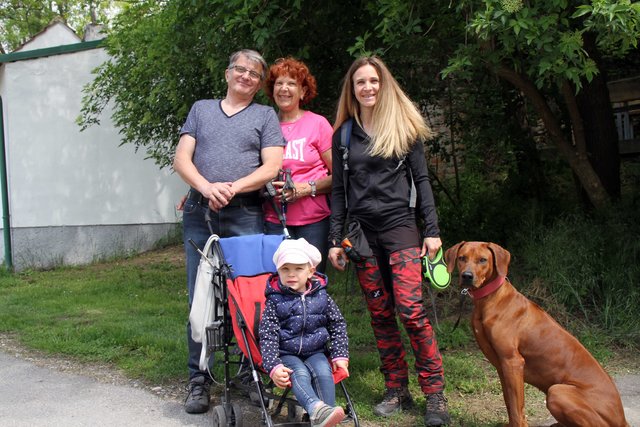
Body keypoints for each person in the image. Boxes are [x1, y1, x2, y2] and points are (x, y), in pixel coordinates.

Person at [327, 56, 450, 426]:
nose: (368, 88)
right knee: (381, 316)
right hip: (362, 236)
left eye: (374, 81)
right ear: (352, 89)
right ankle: (397, 389)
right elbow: (338, 191)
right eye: (360, 82)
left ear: (384, 85)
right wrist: (335, 239)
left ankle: (435, 395)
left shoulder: (404, 127)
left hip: (401, 230)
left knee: (412, 313)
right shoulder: (343, 136)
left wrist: (432, 231)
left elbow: (422, 181)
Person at [173, 49, 286, 414]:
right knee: (200, 297)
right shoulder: (201, 109)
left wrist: (232, 187)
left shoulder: (265, 115)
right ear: (227, 73)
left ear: (259, 83)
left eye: (254, 73)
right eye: (241, 69)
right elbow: (181, 159)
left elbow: (271, 167)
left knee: (249, 296)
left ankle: (250, 373)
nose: (246, 76)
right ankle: (198, 380)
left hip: (245, 212)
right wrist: (207, 189)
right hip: (199, 212)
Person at [259, 238, 349, 427]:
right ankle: (316, 409)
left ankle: (326, 417)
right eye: (285, 269)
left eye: (298, 269)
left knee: (324, 372)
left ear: (311, 271)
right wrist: (273, 366)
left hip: (315, 350)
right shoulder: (275, 301)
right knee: (299, 373)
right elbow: (267, 335)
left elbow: (337, 324)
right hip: (286, 352)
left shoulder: (322, 297)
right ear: (278, 271)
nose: (291, 274)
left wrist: (340, 354)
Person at [262, 57, 333, 272]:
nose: (284, 89)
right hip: (273, 219)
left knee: (312, 283)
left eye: (291, 83)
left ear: (303, 92)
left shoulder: (317, 124)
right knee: (277, 284)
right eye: (279, 83)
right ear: (272, 90)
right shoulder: (264, 125)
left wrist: (306, 188)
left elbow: (341, 177)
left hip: (313, 221)